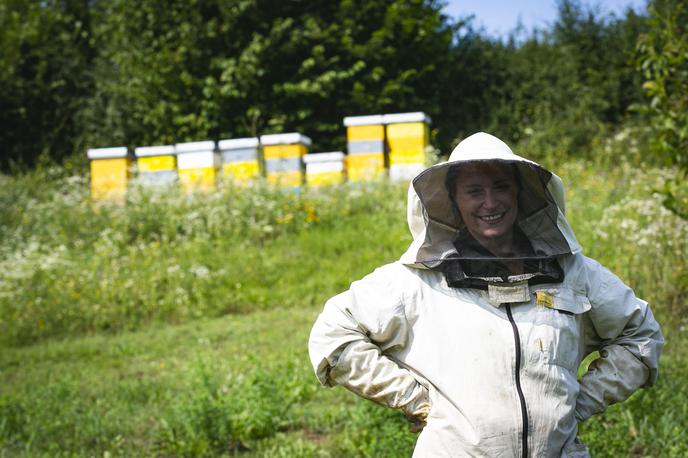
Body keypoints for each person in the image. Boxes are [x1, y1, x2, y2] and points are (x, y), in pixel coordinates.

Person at [308, 132, 664, 457]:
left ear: (520, 194)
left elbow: (641, 334)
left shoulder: (572, 272)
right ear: (453, 201)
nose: (490, 202)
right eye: (474, 191)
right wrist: (416, 400)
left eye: (500, 187)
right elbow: (335, 334)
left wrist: (580, 403)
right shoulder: (419, 280)